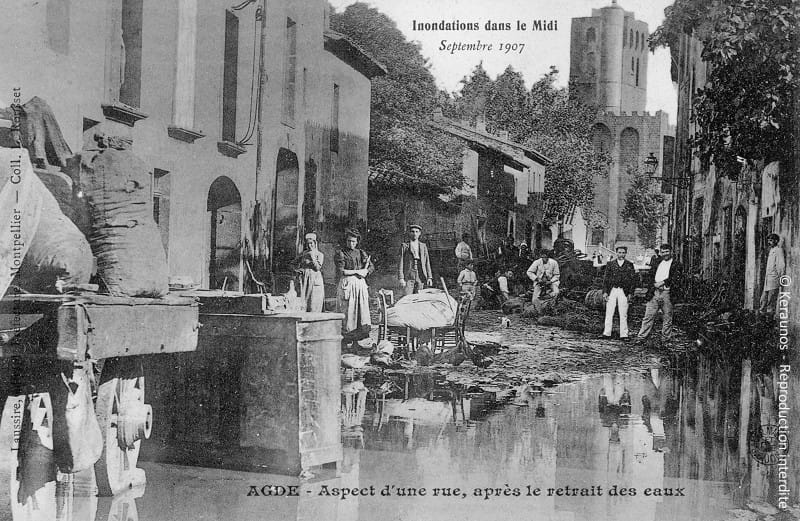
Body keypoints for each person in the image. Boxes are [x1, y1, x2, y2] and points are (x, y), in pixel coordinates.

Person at [634, 243, 682, 345]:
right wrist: (654, 284)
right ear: (660, 252)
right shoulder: (657, 262)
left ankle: (665, 339)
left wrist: (663, 282)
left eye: (667, 251)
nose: (665, 254)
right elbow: (650, 275)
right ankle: (641, 337)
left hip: (667, 293)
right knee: (648, 315)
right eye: (663, 252)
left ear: (671, 252)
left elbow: (676, 278)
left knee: (667, 317)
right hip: (654, 293)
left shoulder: (676, 264)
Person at [335, 229, 374, 337]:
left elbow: (371, 266)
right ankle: (346, 339)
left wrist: (366, 271)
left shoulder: (361, 253)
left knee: (361, 312)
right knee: (348, 312)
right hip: (348, 284)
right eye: (349, 241)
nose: (351, 243)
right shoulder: (341, 253)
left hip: (360, 284)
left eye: (353, 241)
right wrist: (357, 271)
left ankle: (358, 340)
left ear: (357, 242)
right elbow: (341, 271)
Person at [600, 246, 637, 340]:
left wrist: (630, 293)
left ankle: (624, 334)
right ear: (616, 253)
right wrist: (605, 292)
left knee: (623, 313)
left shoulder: (629, 265)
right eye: (619, 252)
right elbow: (606, 280)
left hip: (623, 291)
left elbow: (633, 281)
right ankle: (606, 333)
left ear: (626, 253)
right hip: (612, 290)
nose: (621, 254)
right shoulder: (610, 264)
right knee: (609, 312)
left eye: (623, 252)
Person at [398, 224, 433, 296]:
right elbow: (400, 262)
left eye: (417, 232)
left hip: (420, 275)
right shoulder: (405, 246)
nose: (415, 234)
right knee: (407, 297)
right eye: (412, 231)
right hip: (409, 275)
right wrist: (401, 277)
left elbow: (427, 262)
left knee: (419, 297)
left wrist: (429, 277)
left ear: (420, 233)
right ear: (409, 233)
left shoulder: (423, 246)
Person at [295, 232, 325, 312]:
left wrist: (312, 256)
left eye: (311, 243)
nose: (309, 245)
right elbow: (293, 263)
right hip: (305, 280)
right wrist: (298, 270)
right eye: (307, 244)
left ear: (315, 243)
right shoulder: (303, 254)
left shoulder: (320, 254)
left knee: (313, 302)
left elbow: (317, 268)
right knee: (304, 302)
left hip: (315, 280)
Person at [759, 233, 785, 314]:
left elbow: (781, 266)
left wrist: (780, 278)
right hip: (768, 281)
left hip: (774, 280)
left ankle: (769, 323)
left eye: (771, 240)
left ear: (776, 241)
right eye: (768, 240)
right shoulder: (771, 250)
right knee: (763, 301)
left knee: (771, 302)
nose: (769, 242)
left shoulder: (778, 250)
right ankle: (762, 321)